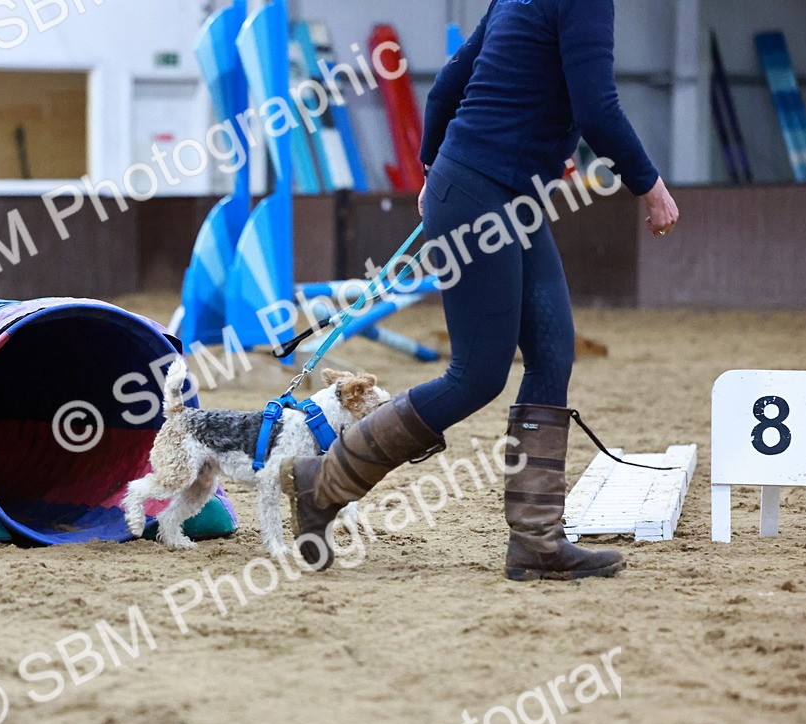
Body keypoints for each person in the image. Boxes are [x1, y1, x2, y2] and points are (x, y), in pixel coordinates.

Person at [282, 0, 680, 580]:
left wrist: (430, 170)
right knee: (477, 375)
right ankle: (323, 482)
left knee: (551, 353)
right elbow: (597, 108)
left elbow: (447, 85)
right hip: (481, 192)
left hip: (501, 194)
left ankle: (537, 542)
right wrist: (650, 184)